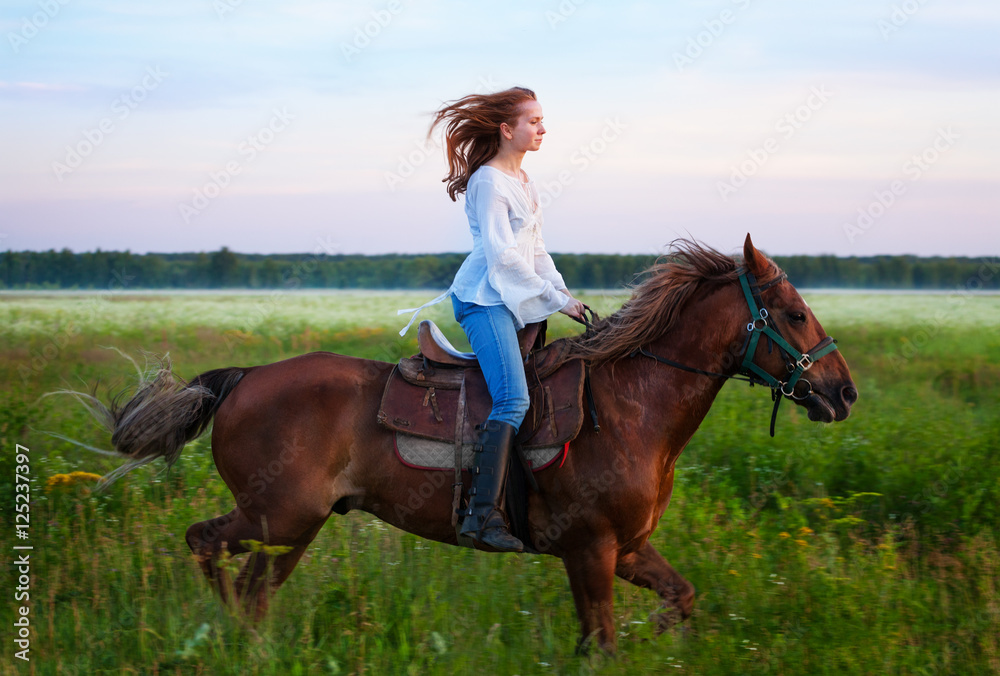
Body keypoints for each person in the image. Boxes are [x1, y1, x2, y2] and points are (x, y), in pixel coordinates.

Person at [398, 87, 585, 552]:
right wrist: (551, 300)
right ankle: (480, 517)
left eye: (543, 121)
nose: (543, 129)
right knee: (513, 400)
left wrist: (563, 295)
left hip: (515, 300)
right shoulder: (488, 181)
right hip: (484, 300)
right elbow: (502, 256)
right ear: (507, 129)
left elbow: (535, 251)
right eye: (534, 121)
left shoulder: (525, 182)